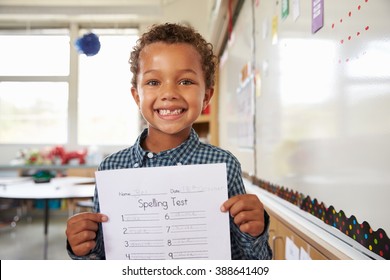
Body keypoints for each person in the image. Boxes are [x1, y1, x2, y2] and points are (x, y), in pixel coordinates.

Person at [66, 23, 272, 260]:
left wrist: (255, 232)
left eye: (185, 81)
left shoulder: (223, 165)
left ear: (206, 96)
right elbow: (104, 256)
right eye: (153, 82)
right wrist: (82, 248)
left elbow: (253, 264)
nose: (169, 93)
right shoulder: (111, 169)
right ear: (137, 95)